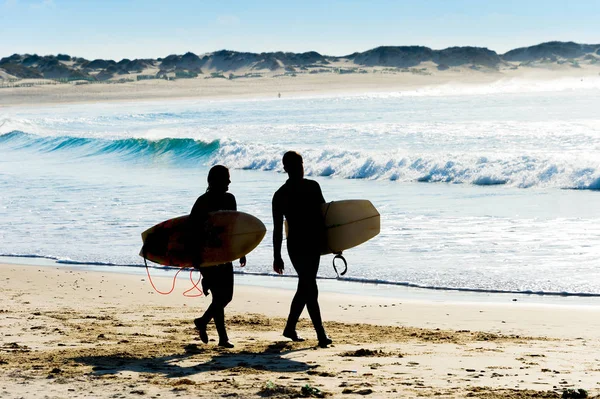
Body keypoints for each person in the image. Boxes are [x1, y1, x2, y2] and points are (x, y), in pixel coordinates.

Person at [272, 151, 332, 348]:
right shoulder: (280, 195)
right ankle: (321, 335)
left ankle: (290, 327)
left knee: (305, 286)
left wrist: (334, 244)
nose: (300, 167)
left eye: (300, 163)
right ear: (287, 168)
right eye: (296, 164)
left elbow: (325, 218)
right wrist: (277, 256)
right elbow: (277, 229)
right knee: (309, 286)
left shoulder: (312, 187)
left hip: (312, 242)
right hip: (297, 244)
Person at [189, 165, 246, 348]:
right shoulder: (202, 202)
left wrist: (241, 251)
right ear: (215, 180)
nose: (229, 182)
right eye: (226, 178)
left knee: (225, 296)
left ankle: (203, 321)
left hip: (225, 253)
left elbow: (233, 228)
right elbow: (192, 231)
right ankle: (222, 338)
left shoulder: (230, 199)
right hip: (208, 255)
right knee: (219, 295)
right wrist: (197, 260)